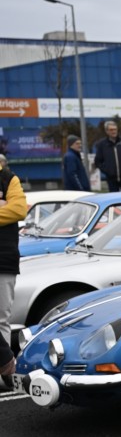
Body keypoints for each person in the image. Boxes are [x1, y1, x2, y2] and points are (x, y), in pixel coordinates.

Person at [1, 160, 30, 386]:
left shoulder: (9, 178)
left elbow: (19, 210)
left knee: (1, 318)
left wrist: (9, 207)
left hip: (4, 259)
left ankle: (3, 375)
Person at [93, 120, 121, 192]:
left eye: (115, 129)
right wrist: (107, 171)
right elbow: (98, 161)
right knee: (114, 197)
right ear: (106, 131)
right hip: (111, 179)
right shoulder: (102, 144)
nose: (114, 131)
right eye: (111, 130)